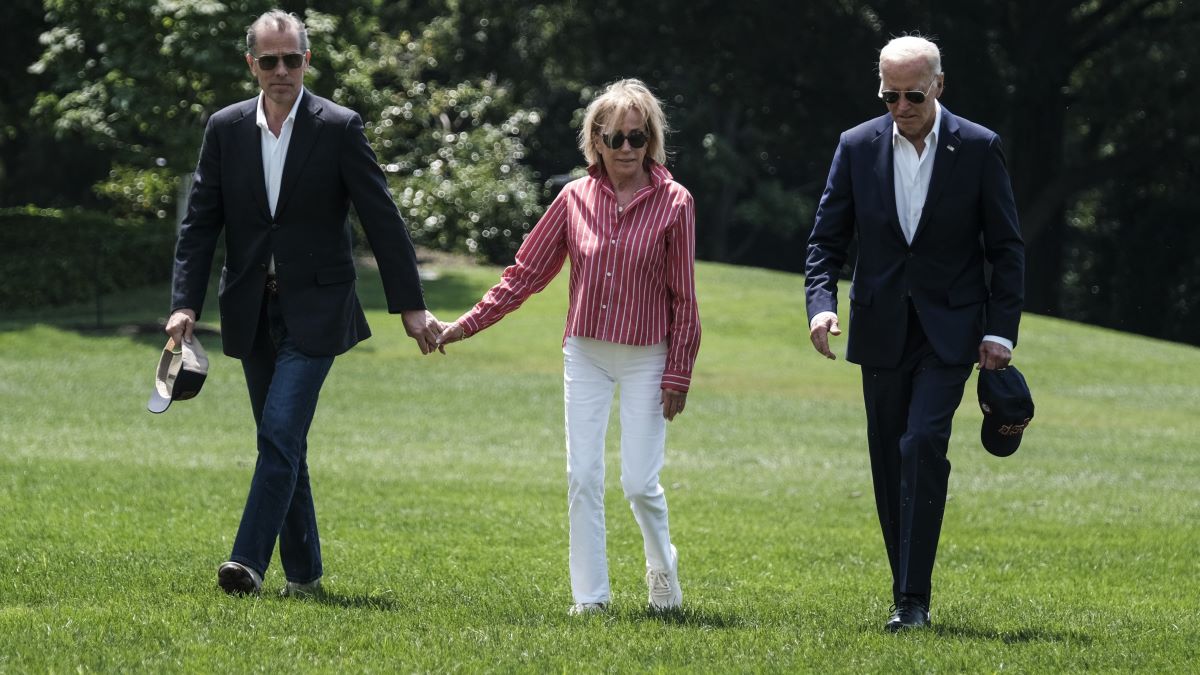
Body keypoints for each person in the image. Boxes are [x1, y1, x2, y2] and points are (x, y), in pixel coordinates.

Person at [164, 9, 443, 597]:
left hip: (318, 309)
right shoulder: (225, 128)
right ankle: (307, 578)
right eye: (270, 61)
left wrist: (410, 306)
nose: (283, 70)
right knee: (284, 443)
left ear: (307, 60)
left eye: (293, 59)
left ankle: (246, 562)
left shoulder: (338, 126)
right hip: (250, 308)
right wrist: (184, 303)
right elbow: (199, 225)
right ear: (253, 65)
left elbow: (381, 218)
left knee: (280, 434)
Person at [437, 79, 700, 615]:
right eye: (615, 137)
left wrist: (679, 372)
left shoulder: (676, 201)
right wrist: (465, 325)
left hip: (649, 355)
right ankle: (591, 599)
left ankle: (661, 569)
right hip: (585, 352)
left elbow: (684, 298)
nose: (627, 147)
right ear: (596, 142)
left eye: (638, 136)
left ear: (652, 140)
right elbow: (523, 275)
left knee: (638, 483)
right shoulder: (573, 198)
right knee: (582, 476)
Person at [804, 35, 1024, 632]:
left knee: (921, 443)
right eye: (889, 95)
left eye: (912, 95)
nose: (900, 107)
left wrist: (1001, 333)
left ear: (939, 87)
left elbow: (1005, 249)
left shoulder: (978, 148)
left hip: (952, 332)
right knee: (886, 459)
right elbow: (825, 242)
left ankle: (912, 602)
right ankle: (906, 591)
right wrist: (820, 306)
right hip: (879, 330)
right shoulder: (855, 146)